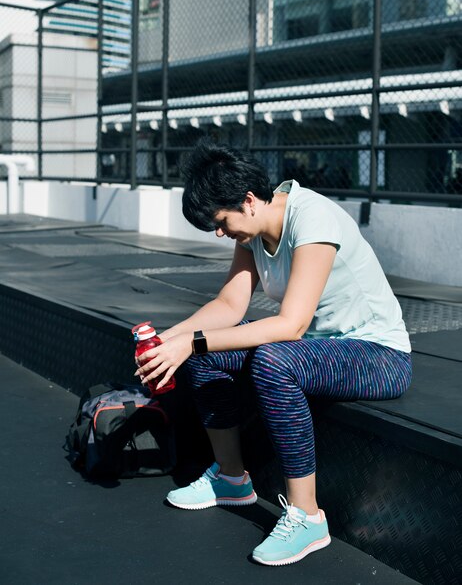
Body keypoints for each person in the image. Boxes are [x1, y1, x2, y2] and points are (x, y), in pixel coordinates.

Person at [134, 138, 412, 567]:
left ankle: (307, 516)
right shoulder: (254, 230)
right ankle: (231, 478)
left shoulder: (312, 217)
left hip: (378, 355)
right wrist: (170, 342)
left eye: (220, 223)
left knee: (270, 358)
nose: (220, 233)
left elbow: (291, 325)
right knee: (207, 351)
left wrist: (193, 340)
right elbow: (228, 307)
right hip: (315, 351)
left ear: (247, 201)